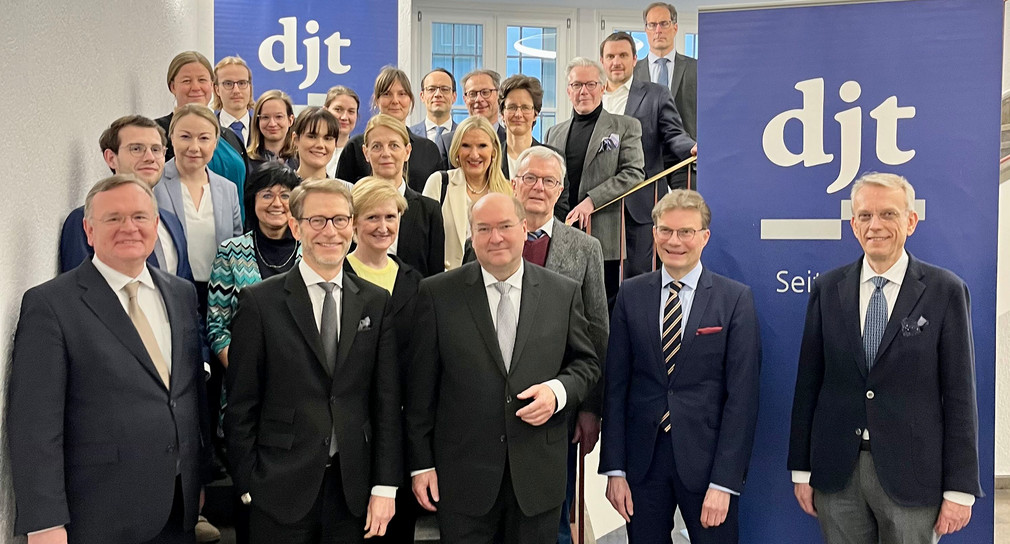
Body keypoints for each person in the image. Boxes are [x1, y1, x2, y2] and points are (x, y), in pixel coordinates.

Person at [10, 174, 209, 543]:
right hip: (99, 514)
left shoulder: (180, 294)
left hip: (176, 507)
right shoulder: (51, 305)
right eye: (113, 218)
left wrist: (197, 478)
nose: (128, 227)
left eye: (139, 217)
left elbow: (189, 393)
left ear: (155, 225)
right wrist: (45, 522)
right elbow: (35, 424)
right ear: (89, 230)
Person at [788, 173, 982, 543]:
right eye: (865, 216)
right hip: (837, 473)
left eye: (888, 214)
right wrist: (801, 469)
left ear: (911, 221)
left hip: (914, 477)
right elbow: (809, 383)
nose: (875, 225)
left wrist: (960, 488)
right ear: (853, 225)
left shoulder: (945, 291)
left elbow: (960, 394)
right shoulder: (828, 288)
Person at [405, 192, 600, 544]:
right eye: (484, 228)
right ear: (471, 235)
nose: (495, 237)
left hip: (538, 478)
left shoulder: (562, 292)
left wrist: (557, 392)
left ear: (524, 229)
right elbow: (421, 390)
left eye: (505, 226)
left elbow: (586, 363)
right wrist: (422, 465)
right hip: (463, 479)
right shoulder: (436, 294)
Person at [225, 179, 402, 543]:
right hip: (278, 486)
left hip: (353, 488)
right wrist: (247, 483)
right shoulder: (260, 302)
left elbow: (385, 401)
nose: (330, 232)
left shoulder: (376, 301)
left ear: (352, 226)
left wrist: (385, 485)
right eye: (317, 220)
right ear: (296, 227)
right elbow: (241, 403)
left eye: (340, 220)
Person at [600, 189, 760, 544]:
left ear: (704, 236)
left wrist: (724, 483)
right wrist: (615, 469)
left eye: (686, 231)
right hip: (642, 464)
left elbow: (743, 398)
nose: (674, 241)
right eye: (666, 231)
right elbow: (616, 386)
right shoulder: (630, 294)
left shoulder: (734, 299)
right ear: (654, 233)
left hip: (708, 466)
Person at [508, 147, 609, 544]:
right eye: (530, 178)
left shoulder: (585, 248)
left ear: (561, 189)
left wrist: (590, 408)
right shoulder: (487, 238)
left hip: (559, 409)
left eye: (548, 180)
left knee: (553, 521)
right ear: (514, 184)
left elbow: (597, 332)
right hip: (496, 412)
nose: (538, 187)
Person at [344, 177, 425, 543]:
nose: (383, 226)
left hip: (400, 432)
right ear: (354, 222)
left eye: (390, 217)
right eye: (372, 217)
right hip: (351, 431)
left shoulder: (415, 281)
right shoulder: (337, 275)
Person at [545, 57, 645, 302]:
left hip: (603, 233)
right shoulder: (553, 132)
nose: (584, 91)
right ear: (568, 90)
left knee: (601, 305)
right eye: (577, 85)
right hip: (561, 232)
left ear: (603, 88)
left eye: (591, 84)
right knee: (560, 302)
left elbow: (634, 173)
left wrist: (591, 201)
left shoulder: (625, 126)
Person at [601, 32, 696, 279]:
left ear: (635, 59)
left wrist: (691, 148)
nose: (616, 62)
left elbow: (674, 134)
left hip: (642, 203)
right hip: (601, 205)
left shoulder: (656, 94)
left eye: (623, 55)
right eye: (610, 56)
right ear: (602, 61)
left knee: (640, 277)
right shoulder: (592, 96)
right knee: (602, 279)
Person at [59, 115, 192, 281]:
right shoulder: (85, 220)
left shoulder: (171, 221)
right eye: (136, 149)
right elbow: (80, 289)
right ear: (111, 158)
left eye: (156, 149)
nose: (150, 157)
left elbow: (182, 288)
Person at [154, 104, 243, 313]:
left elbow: (235, 244)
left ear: (215, 142)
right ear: (171, 138)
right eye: (185, 137)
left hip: (218, 296)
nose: (194, 147)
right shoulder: (154, 185)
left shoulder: (227, 189)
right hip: (169, 292)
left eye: (204, 138)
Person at [422, 115, 512, 270]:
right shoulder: (439, 183)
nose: (474, 154)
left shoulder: (508, 193)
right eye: (466, 146)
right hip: (445, 280)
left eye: (482, 146)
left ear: (494, 151)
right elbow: (422, 241)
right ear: (456, 149)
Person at [156, 51, 249, 199]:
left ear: (212, 85)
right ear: (172, 87)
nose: (195, 87)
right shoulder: (155, 133)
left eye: (202, 80)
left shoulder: (230, 137)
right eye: (187, 81)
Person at [362, 114, 445, 277]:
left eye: (394, 146)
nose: (386, 153)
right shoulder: (351, 206)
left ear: (407, 151)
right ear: (366, 153)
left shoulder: (429, 210)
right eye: (377, 146)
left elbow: (435, 277)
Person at [336, 67, 441, 191]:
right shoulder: (355, 147)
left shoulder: (428, 150)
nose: (395, 101)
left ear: (410, 99)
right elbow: (341, 195)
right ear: (376, 100)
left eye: (402, 94)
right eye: (387, 94)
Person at [633, 3, 697, 187]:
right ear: (646, 30)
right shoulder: (632, 73)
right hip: (644, 163)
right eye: (652, 25)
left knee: (688, 206)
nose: (658, 30)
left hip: (686, 159)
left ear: (675, 27)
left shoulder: (697, 69)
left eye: (664, 23)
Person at [437, 69, 507, 168]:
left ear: (498, 96)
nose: (479, 99)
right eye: (472, 94)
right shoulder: (447, 142)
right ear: (465, 99)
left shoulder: (510, 141)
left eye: (485, 92)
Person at [499, 74, 544, 179]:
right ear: (502, 114)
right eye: (512, 107)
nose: (518, 114)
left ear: (535, 114)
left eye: (525, 107)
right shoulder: (491, 157)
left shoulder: (552, 158)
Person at [410, 68, 459, 159]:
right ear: (422, 96)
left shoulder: (463, 135)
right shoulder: (409, 135)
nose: (437, 94)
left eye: (444, 89)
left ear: (454, 97)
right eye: (431, 89)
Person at [247, 90, 298, 173]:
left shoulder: (302, 160)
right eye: (265, 117)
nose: (272, 124)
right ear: (257, 121)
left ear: (290, 120)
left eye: (279, 117)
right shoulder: (245, 162)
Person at [213, 56, 255, 147]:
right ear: (217, 90)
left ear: (250, 87)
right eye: (228, 84)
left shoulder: (263, 130)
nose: (236, 90)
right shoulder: (208, 130)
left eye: (242, 83)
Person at [292, 106, 340, 182]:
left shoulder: (346, 188)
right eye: (312, 137)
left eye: (327, 138)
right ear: (295, 139)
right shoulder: (280, 188)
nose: (320, 145)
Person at [324, 85, 360, 178]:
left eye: (351, 111)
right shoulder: (311, 151)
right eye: (338, 109)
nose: (344, 117)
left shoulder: (362, 155)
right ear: (325, 111)